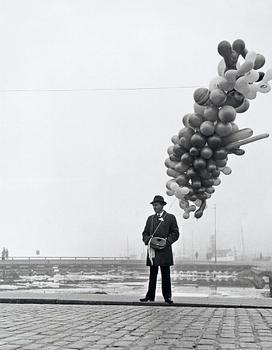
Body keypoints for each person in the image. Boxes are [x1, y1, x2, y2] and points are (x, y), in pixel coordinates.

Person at [140, 195, 179, 304]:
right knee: (152, 273)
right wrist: (148, 240)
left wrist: (166, 242)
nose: (154, 207)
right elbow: (145, 233)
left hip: (165, 250)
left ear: (162, 205)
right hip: (152, 250)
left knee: (165, 274)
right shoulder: (150, 218)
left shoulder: (170, 217)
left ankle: (167, 297)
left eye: (156, 205)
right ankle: (150, 296)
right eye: (153, 205)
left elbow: (175, 233)